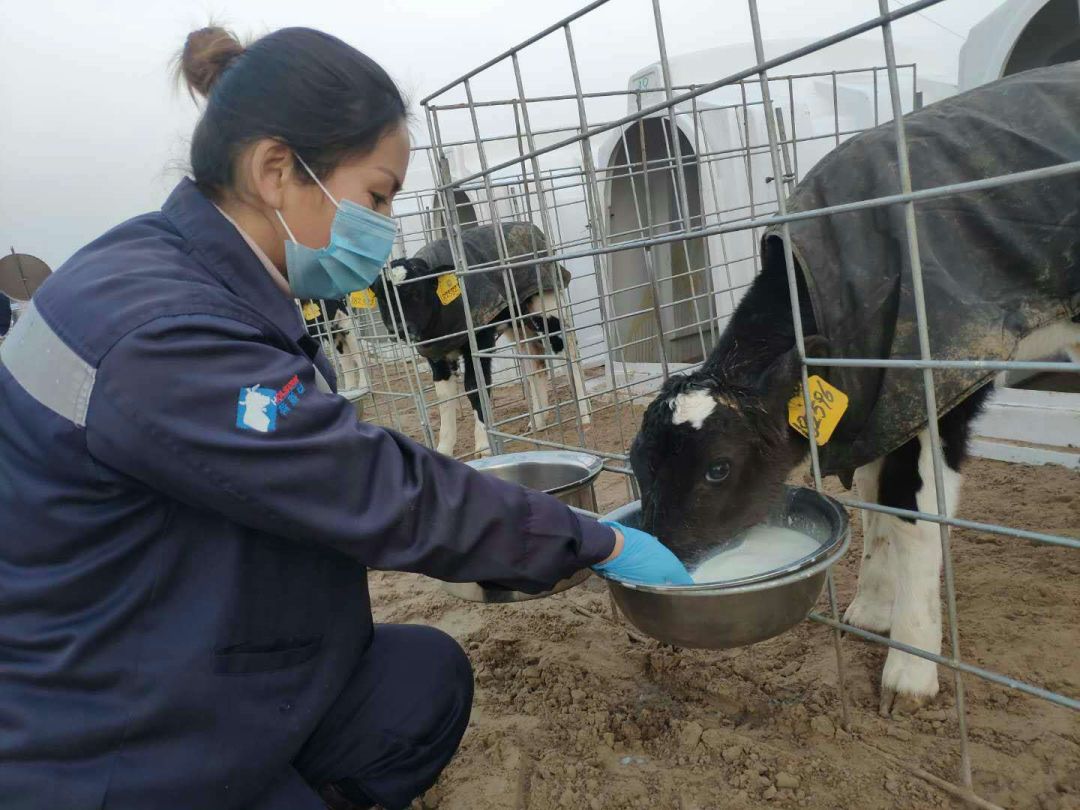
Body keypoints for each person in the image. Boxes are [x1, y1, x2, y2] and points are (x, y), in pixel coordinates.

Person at [0, 26, 690, 810]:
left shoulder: (187, 274)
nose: (387, 227)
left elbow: (321, 455)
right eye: (376, 196)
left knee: (419, 683)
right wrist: (594, 537)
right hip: (101, 726)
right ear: (276, 170)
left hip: (170, 623)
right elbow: (371, 486)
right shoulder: (162, 333)